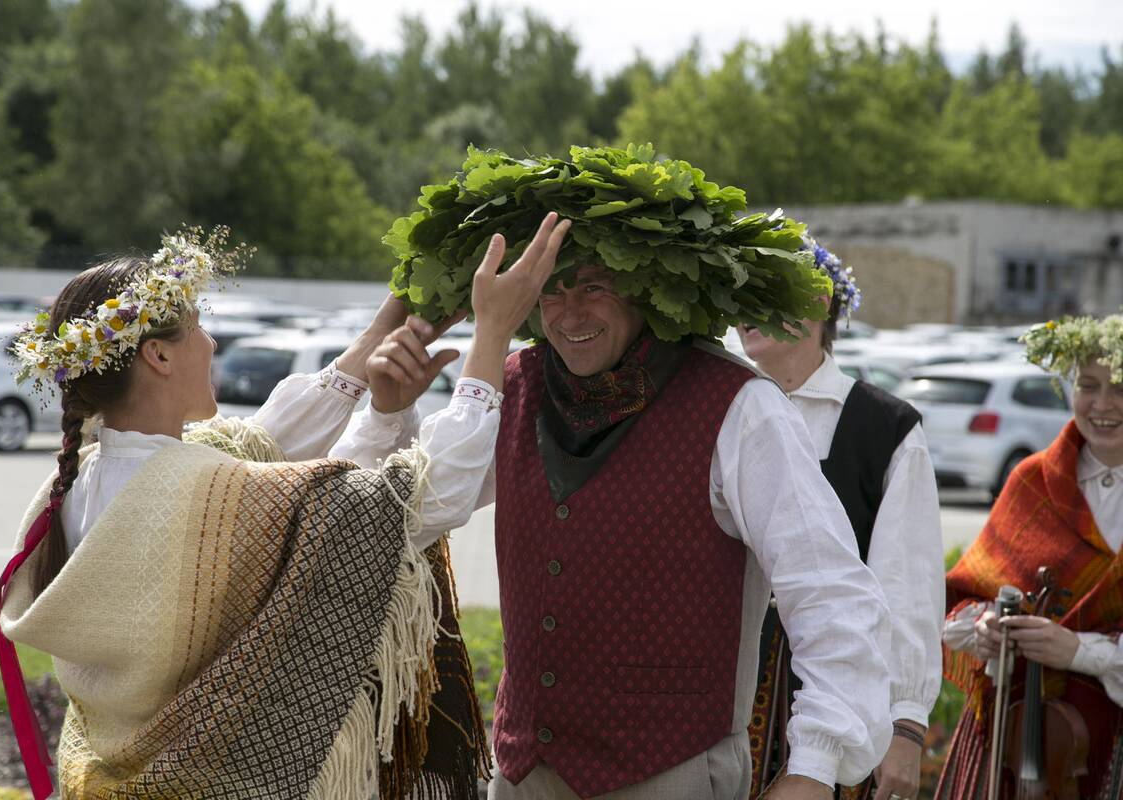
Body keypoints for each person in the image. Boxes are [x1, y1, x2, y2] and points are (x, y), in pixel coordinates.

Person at [345, 145, 894, 800]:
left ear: (649, 287)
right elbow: (404, 515)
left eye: (594, 286)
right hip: (524, 774)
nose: (570, 312)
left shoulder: (739, 406)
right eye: (551, 288)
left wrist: (815, 766)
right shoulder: (513, 386)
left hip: (669, 772)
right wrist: (388, 412)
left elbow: (828, 587)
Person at [0, 217, 570, 800]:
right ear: (158, 356)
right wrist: (491, 336)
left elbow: (264, 450)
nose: (211, 343)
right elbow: (423, 496)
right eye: (197, 328)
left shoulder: (77, 482)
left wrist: (383, 360)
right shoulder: (205, 491)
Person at [740, 237, 944, 800]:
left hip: (836, 688)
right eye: (741, 293)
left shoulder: (885, 427)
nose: (746, 308)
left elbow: (906, 580)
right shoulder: (719, 409)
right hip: (723, 683)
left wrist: (905, 721)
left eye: (765, 291)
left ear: (817, 301)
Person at [937, 314, 1123, 798]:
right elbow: (963, 600)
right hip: (1015, 737)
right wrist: (985, 628)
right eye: (1088, 385)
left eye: (1120, 387)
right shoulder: (1031, 480)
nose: (1103, 404)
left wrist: (1080, 652)